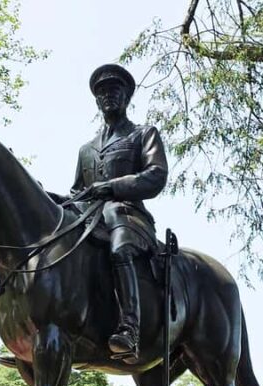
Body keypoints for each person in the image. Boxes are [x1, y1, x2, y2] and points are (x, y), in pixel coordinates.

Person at [71, 64, 168, 361]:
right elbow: (77, 191)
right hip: (91, 218)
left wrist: (112, 187)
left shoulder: (143, 134)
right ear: (96, 101)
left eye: (114, 90)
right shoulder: (86, 149)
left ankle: (130, 329)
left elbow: (156, 176)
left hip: (129, 216)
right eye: (102, 92)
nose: (108, 96)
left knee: (120, 248)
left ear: (126, 96)